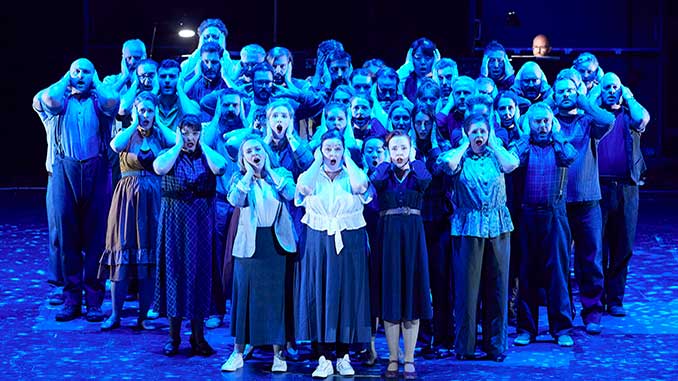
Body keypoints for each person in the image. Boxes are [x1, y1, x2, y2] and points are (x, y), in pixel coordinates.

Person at [34, 58, 119, 322]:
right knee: (68, 237)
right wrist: (66, 78)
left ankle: (94, 300)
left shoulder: (99, 101)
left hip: (96, 170)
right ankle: (71, 299)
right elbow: (47, 98)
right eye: (77, 72)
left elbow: (113, 101)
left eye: (86, 72)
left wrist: (95, 80)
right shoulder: (59, 103)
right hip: (64, 170)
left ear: (94, 75)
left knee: (96, 238)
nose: (81, 76)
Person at [437, 114, 519, 362]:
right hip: (468, 226)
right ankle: (465, 346)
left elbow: (512, 165)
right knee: (467, 290)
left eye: (483, 131)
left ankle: (496, 346)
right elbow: (448, 165)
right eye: (474, 132)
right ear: (467, 134)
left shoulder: (497, 154)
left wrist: (493, 143)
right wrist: (463, 144)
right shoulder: (459, 157)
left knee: (497, 287)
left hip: (497, 225)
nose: (479, 137)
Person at [295, 129, 372, 378]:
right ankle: (322, 357)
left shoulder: (351, 175)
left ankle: (343, 355)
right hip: (318, 238)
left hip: (349, 239)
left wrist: (348, 159)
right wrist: (318, 160)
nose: (333, 154)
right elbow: (304, 188)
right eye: (328, 149)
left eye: (337, 149)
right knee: (319, 293)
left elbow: (362, 186)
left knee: (346, 294)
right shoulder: (313, 175)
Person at [220, 135, 297, 373]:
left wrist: (268, 171)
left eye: (257, 149)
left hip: (276, 243)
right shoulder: (238, 178)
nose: (254, 153)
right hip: (249, 245)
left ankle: (279, 354)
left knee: (277, 300)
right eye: (248, 151)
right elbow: (235, 200)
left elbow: (292, 195)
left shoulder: (281, 174)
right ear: (242, 158)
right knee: (244, 298)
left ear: (265, 151)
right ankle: (238, 352)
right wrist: (248, 175)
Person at [98, 92, 175, 330]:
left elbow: (176, 142)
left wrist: (158, 121)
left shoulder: (160, 135)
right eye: (142, 110)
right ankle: (115, 315)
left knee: (149, 256)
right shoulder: (127, 135)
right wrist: (133, 122)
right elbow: (115, 145)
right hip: (126, 198)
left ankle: (144, 316)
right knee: (121, 251)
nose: (146, 115)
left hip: (153, 198)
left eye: (150, 111)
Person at [152, 114, 227, 356]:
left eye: (195, 133)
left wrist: (203, 144)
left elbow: (221, 167)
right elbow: (159, 168)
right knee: (175, 273)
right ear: (178, 132)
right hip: (175, 222)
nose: (190, 138)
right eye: (186, 132)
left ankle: (199, 337)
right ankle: (174, 337)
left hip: (201, 223)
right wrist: (177, 145)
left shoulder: (207, 155)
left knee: (199, 275)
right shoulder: (170, 153)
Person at [552, 69, 615, 335]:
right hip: (559, 202)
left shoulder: (588, 122)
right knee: (560, 261)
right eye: (561, 91)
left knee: (591, 259)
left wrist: (583, 101)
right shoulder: (549, 121)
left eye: (570, 91)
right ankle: (564, 315)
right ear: (554, 95)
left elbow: (608, 118)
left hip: (589, 201)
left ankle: (593, 312)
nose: (567, 95)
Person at [512, 103, 577, 347]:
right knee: (527, 272)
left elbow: (570, 156)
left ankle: (561, 329)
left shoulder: (560, 146)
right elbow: (512, 160)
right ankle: (526, 329)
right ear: (529, 124)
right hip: (527, 215)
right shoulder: (524, 146)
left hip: (555, 215)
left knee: (557, 273)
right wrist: (524, 136)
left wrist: (557, 134)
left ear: (552, 123)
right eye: (537, 122)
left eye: (545, 122)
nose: (542, 126)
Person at [370, 129, 432, 379]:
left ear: (410, 150)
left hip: (413, 239)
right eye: (394, 148)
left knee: (412, 296)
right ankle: (393, 356)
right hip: (389, 240)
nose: (399, 153)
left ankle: (409, 357)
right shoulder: (383, 174)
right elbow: (374, 180)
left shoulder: (418, 172)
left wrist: (414, 159)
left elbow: (426, 179)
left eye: (403, 148)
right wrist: (386, 159)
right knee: (392, 296)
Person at [597, 73, 650, 317]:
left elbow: (642, 118)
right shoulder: (597, 117)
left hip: (627, 187)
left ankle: (615, 299)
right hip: (598, 188)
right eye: (606, 87)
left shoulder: (630, 116)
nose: (610, 91)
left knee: (623, 245)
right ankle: (597, 300)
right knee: (597, 246)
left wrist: (628, 95)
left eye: (614, 87)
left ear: (621, 90)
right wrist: (595, 94)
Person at [398, 38, 440, 103]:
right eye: (418, 57)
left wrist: (437, 68)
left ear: (434, 59)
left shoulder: (442, 80)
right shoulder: (405, 81)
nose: (423, 62)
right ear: (412, 59)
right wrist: (407, 66)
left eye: (427, 58)